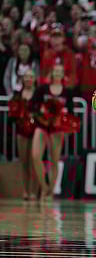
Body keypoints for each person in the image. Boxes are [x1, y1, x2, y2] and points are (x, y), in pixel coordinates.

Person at [30, 64, 74, 201]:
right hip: (42, 125)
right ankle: (44, 187)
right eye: (55, 71)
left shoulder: (67, 92)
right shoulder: (42, 89)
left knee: (54, 160)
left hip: (57, 128)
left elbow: (71, 113)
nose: (57, 73)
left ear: (63, 75)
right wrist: (40, 113)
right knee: (36, 156)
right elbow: (32, 106)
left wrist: (63, 117)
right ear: (51, 73)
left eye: (60, 71)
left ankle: (50, 192)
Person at [8, 69, 37, 200]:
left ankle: (34, 191)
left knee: (33, 161)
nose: (28, 79)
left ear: (34, 79)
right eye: (26, 77)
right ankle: (25, 190)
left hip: (35, 130)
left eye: (31, 76)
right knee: (23, 161)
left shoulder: (38, 94)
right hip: (21, 130)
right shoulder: (18, 94)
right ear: (23, 79)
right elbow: (12, 113)